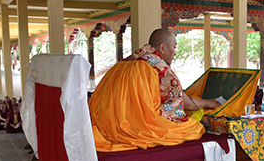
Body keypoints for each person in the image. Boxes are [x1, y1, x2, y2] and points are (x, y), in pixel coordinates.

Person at [90, 29, 221, 151]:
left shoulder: (128, 61)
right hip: (138, 127)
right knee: (195, 128)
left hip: (107, 125)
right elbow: (185, 103)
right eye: (174, 47)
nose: (175, 52)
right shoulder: (158, 67)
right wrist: (210, 103)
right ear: (163, 48)